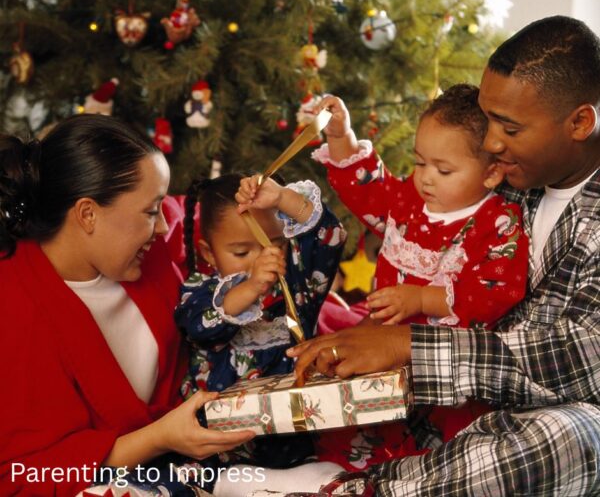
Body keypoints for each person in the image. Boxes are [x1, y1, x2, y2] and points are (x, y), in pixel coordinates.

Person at [285, 15, 600, 495]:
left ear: (579, 122)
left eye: (509, 128)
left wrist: (408, 344)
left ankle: (350, 490)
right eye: (488, 119)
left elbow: (584, 358)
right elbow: (392, 204)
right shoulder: (505, 177)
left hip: (547, 414)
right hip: (456, 404)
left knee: (570, 435)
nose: (490, 142)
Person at [0, 114, 254, 496]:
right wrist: (158, 439)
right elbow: (24, 476)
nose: (164, 227)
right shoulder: (15, 308)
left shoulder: (143, 258)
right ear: (88, 214)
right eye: (151, 211)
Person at [310, 83, 528, 470]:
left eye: (443, 170)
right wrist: (341, 136)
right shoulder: (410, 201)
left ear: (492, 172)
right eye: (420, 162)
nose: (425, 178)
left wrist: (422, 299)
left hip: (439, 373)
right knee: (353, 428)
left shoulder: (498, 224)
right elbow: (369, 188)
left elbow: (494, 295)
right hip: (378, 348)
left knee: (426, 453)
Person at [175, 173, 346, 468]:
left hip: (299, 429)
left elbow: (330, 237)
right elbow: (199, 326)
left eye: (274, 244)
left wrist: (282, 198)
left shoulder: (298, 283)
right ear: (209, 253)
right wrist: (252, 287)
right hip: (223, 439)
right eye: (242, 251)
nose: (262, 259)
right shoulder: (200, 290)